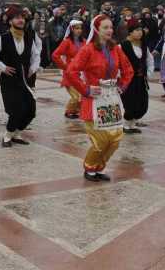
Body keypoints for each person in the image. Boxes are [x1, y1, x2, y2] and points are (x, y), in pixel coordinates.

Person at [67, 15, 134, 182]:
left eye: (111, 27)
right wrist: (86, 89)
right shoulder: (87, 49)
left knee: (115, 138)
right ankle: (90, 167)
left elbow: (128, 69)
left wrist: (122, 85)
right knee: (100, 139)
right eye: (105, 27)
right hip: (94, 99)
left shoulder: (116, 49)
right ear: (97, 30)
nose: (110, 30)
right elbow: (71, 72)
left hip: (112, 98)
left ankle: (99, 167)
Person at [0, 5, 42, 147]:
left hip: (26, 80)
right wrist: (1, 67)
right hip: (9, 81)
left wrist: (33, 68)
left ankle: (17, 133)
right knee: (16, 110)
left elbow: (36, 54)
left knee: (31, 111)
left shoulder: (28, 37)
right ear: (10, 21)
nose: (20, 20)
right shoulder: (3, 38)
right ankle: (7, 136)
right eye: (16, 17)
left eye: (22, 17)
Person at [120, 19, 153, 134]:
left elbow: (149, 60)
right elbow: (118, 62)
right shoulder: (123, 46)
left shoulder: (144, 46)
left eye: (140, 30)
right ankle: (126, 125)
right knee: (130, 102)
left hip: (141, 80)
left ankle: (133, 124)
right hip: (129, 80)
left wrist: (148, 73)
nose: (140, 32)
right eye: (136, 30)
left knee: (142, 103)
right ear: (130, 32)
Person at [53, 19, 86, 119]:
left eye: (80, 28)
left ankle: (76, 111)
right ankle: (69, 111)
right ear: (71, 29)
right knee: (76, 97)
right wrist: (65, 67)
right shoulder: (67, 42)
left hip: (81, 73)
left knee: (82, 96)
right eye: (76, 28)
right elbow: (55, 55)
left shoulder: (84, 42)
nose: (79, 30)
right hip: (70, 74)